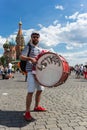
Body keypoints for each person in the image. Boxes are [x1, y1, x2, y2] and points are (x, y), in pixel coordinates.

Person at [20, 32, 46, 121]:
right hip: (31, 72)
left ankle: (36, 106)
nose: (35, 38)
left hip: (39, 73)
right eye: (34, 37)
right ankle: (27, 112)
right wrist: (30, 58)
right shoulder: (28, 47)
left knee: (40, 90)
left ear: (39, 39)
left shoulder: (40, 49)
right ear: (31, 38)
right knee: (31, 91)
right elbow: (21, 57)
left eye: (37, 37)